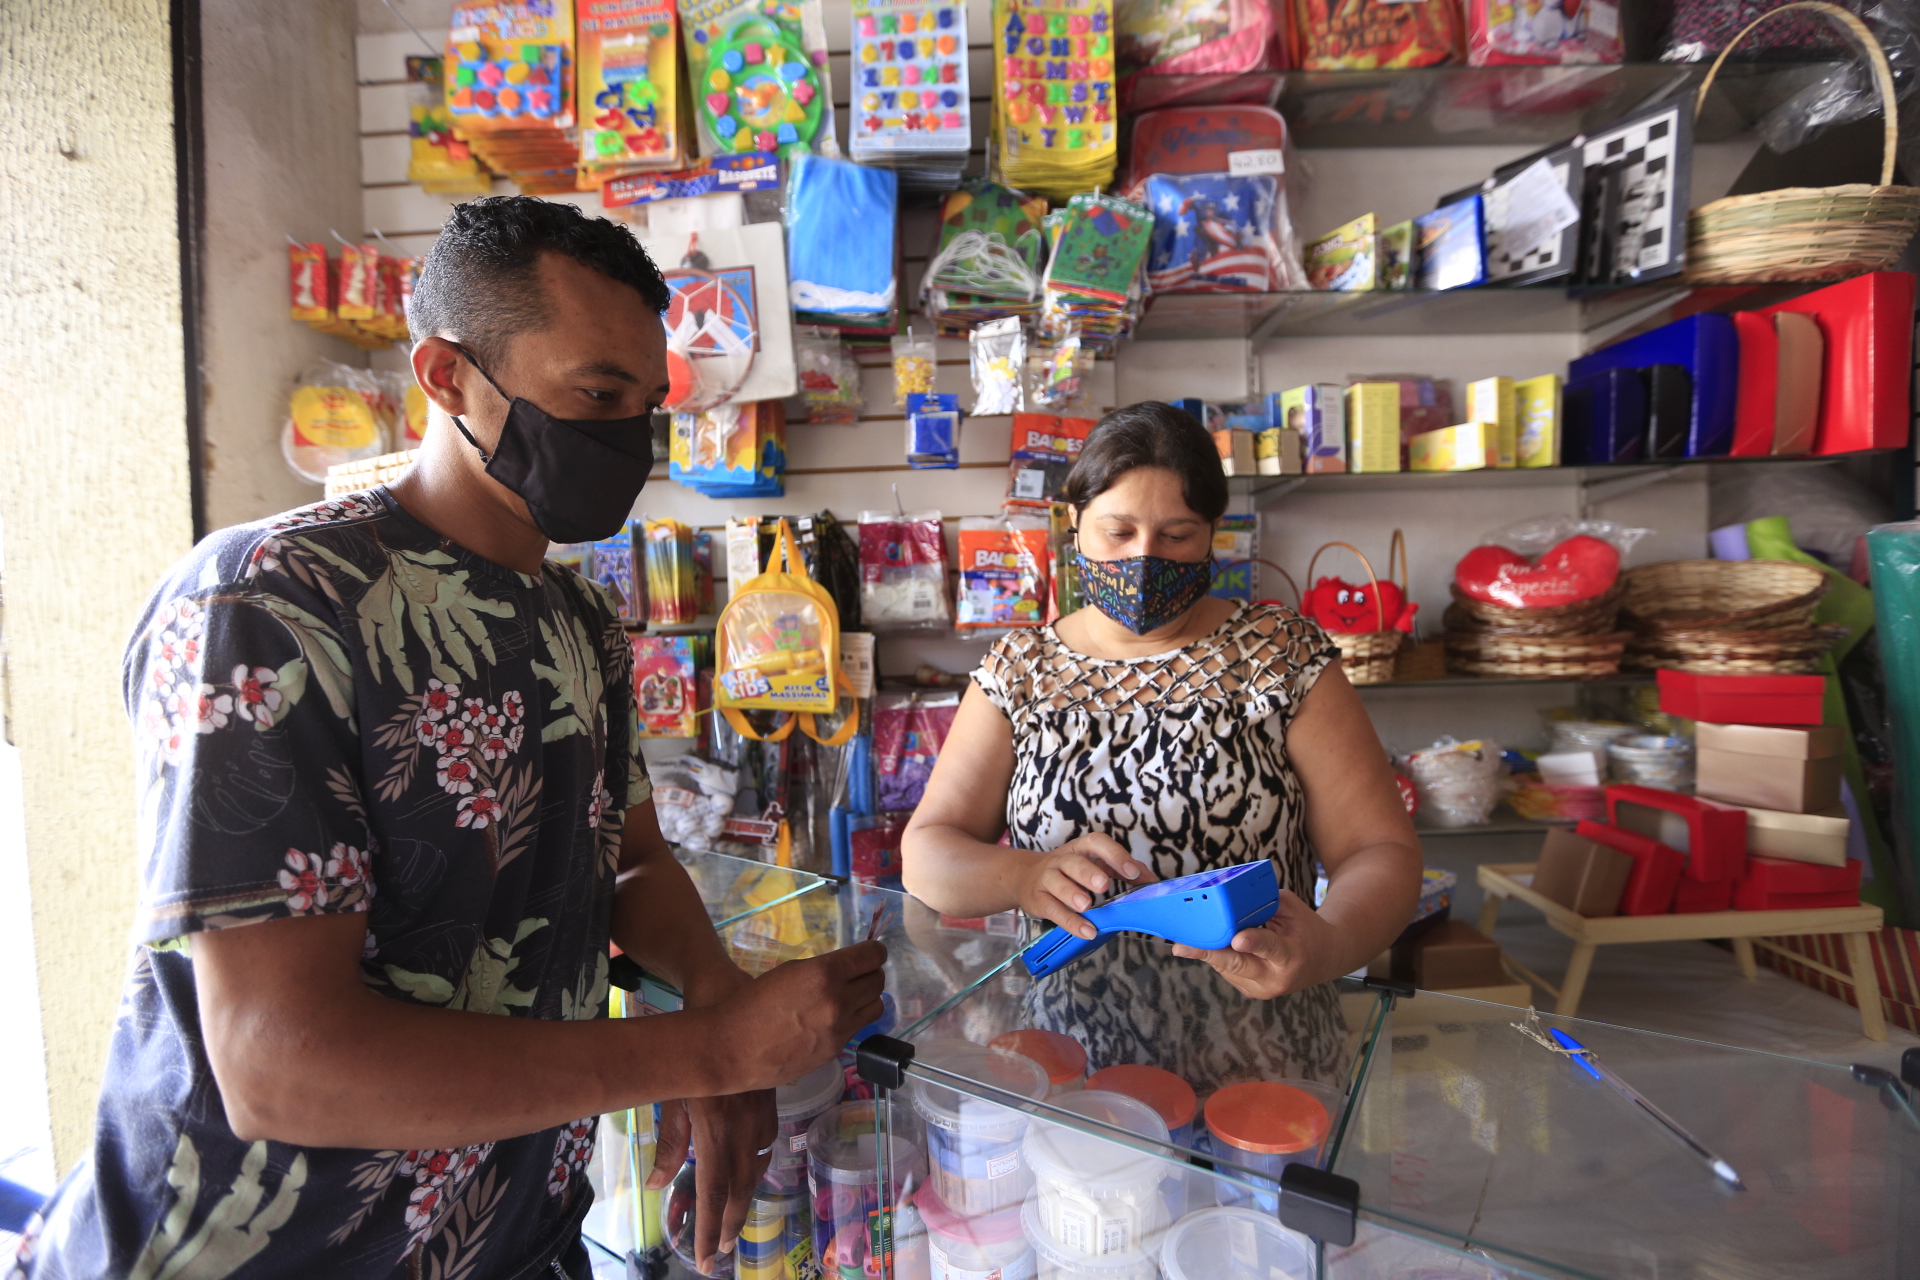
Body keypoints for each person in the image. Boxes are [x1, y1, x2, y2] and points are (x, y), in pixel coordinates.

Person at [11, 197, 886, 1280]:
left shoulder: (580, 623)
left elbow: (632, 857)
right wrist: (705, 1048)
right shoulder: (268, 605)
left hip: (513, 1240)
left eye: (646, 405)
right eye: (596, 394)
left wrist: (720, 1005)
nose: (627, 438)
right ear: (446, 374)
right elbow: (282, 1065)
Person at [901, 402, 1420, 1090]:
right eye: (1118, 531)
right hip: (1069, 1057)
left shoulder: (1280, 656)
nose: (1144, 559)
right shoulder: (1019, 670)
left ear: (1212, 536)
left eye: (1177, 535)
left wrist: (1328, 945)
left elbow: (1379, 851)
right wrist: (1025, 877)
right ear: (1074, 525)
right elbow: (928, 852)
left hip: (1265, 1053)